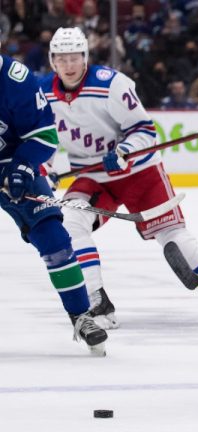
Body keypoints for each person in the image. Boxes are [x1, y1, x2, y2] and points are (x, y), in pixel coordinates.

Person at [39, 27, 198, 329]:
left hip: (139, 171)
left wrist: (125, 149)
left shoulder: (111, 84)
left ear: (85, 57)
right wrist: (43, 170)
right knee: (71, 223)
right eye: (62, 59)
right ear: (52, 61)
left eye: (75, 57)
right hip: (93, 175)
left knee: (174, 239)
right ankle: (97, 301)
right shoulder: (43, 93)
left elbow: (144, 129)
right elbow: (41, 138)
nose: (69, 65)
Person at [0, 42, 108, 355]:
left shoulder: (15, 78)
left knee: (54, 238)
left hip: (13, 161)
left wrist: (22, 164)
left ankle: (81, 316)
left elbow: (45, 134)